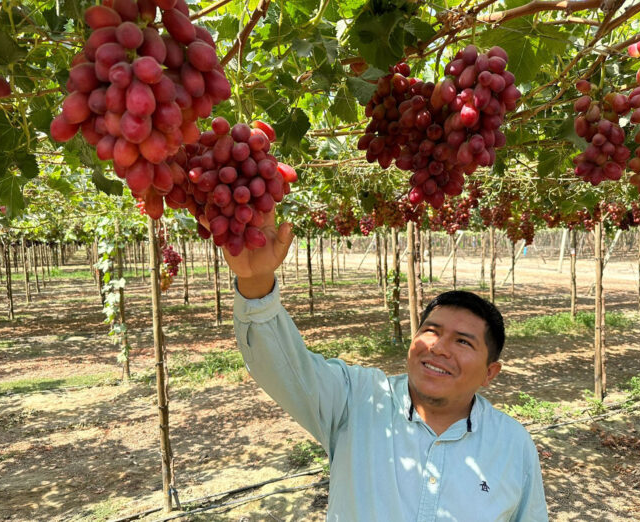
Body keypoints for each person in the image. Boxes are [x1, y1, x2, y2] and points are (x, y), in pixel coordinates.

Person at [208, 212, 548, 521]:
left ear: (491, 373)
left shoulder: (513, 445)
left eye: (463, 341)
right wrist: (256, 283)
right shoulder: (357, 400)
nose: (438, 348)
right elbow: (282, 367)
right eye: (430, 330)